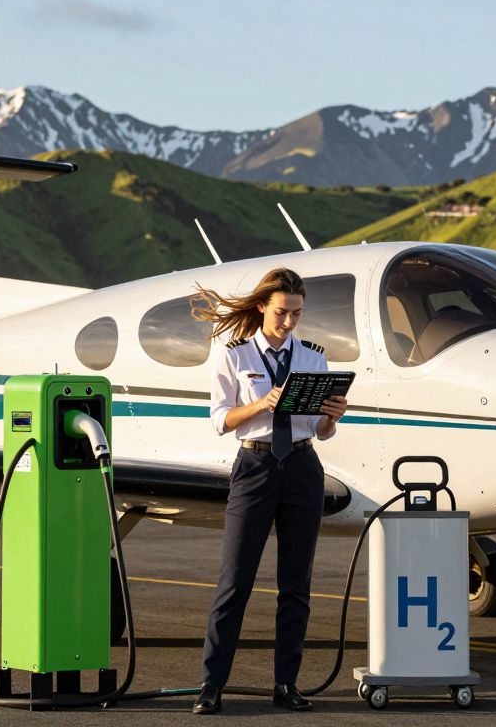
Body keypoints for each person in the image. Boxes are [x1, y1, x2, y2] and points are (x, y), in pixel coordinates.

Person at [188, 267, 348, 714]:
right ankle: (211, 684)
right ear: (262, 307)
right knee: (234, 581)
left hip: (302, 467)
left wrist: (332, 416)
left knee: (296, 585)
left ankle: (286, 684)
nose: (289, 323)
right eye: (282, 313)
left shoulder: (314, 357)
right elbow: (220, 420)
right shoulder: (234, 356)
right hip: (254, 464)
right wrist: (261, 403)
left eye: (297, 314)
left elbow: (319, 429)